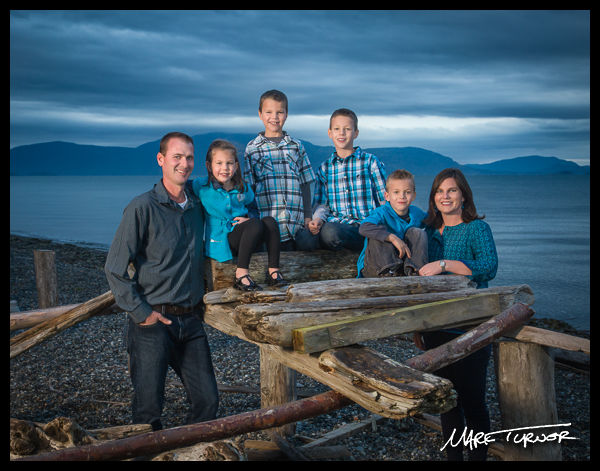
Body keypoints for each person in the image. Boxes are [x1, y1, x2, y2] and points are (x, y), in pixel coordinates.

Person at [104, 132, 219, 431]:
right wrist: (142, 314)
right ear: (161, 160)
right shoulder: (141, 207)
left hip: (191, 321)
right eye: (177, 157)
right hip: (153, 321)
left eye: (189, 158)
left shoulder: (198, 205)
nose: (184, 164)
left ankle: (186, 451)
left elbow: (227, 205)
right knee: (148, 410)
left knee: (208, 401)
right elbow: (114, 268)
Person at [415, 167, 498, 461]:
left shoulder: (477, 228)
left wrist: (444, 264)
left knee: (473, 401)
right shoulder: (426, 233)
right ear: (433, 197)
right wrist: (417, 327)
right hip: (435, 327)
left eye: (451, 190)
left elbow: (488, 267)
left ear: (463, 195)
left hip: (470, 328)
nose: (445, 196)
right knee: (446, 401)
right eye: (439, 191)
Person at [194, 139, 288, 291]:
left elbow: (253, 209)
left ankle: (274, 271)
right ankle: (241, 274)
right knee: (255, 223)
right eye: (219, 163)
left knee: (269, 221)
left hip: (247, 235)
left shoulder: (242, 187)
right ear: (209, 166)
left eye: (229, 163)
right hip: (223, 239)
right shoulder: (201, 186)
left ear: (236, 166)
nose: (224, 168)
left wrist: (249, 218)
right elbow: (179, 188)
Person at [296, 108, 387, 252]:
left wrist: (384, 229)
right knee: (303, 237)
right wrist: (317, 220)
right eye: (337, 129)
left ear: (356, 133)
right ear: (330, 133)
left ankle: (360, 253)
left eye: (347, 129)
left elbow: (384, 200)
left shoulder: (370, 162)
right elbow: (322, 204)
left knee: (330, 233)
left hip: (363, 228)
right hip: (334, 223)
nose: (342, 133)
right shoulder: (325, 168)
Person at [243, 89, 315, 251]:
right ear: (260, 114)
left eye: (279, 112)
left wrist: (308, 215)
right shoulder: (252, 149)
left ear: (286, 114)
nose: (274, 117)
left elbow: (305, 183)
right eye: (269, 112)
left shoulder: (296, 146)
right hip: (268, 222)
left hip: (295, 223)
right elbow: (249, 188)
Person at [357, 169, 428, 278]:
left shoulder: (416, 213)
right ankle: (388, 273)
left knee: (417, 232)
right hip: (377, 266)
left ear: (413, 195)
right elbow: (364, 227)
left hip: (402, 265)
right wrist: (392, 237)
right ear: (387, 196)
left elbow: (433, 220)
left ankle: (415, 271)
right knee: (380, 232)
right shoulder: (381, 212)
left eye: (407, 192)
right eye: (396, 192)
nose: (402, 196)